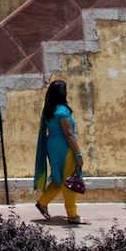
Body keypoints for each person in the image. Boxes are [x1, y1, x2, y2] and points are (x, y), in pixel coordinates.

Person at [33, 79, 89, 224]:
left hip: (52, 146)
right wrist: (78, 154)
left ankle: (43, 202)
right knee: (70, 180)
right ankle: (72, 215)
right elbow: (68, 134)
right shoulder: (63, 111)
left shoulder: (48, 110)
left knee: (58, 178)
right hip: (64, 147)